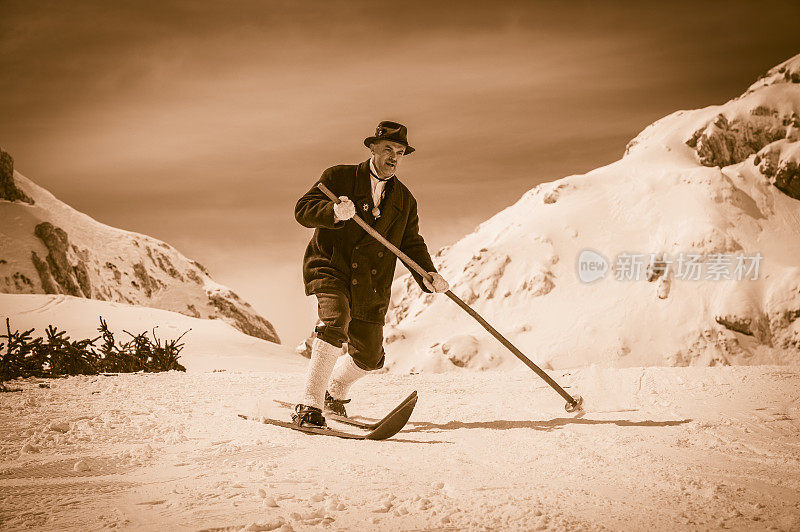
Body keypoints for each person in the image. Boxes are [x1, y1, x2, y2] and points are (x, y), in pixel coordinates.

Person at [293, 121, 449, 428]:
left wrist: (427, 273)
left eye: (400, 152)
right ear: (372, 148)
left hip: (370, 283)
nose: (393, 157)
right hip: (332, 267)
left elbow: (410, 243)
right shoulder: (338, 176)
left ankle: (334, 392)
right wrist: (333, 213)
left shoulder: (405, 200)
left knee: (370, 357)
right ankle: (309, 404)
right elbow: (303, 209)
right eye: (388, 149)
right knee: (335, 319)